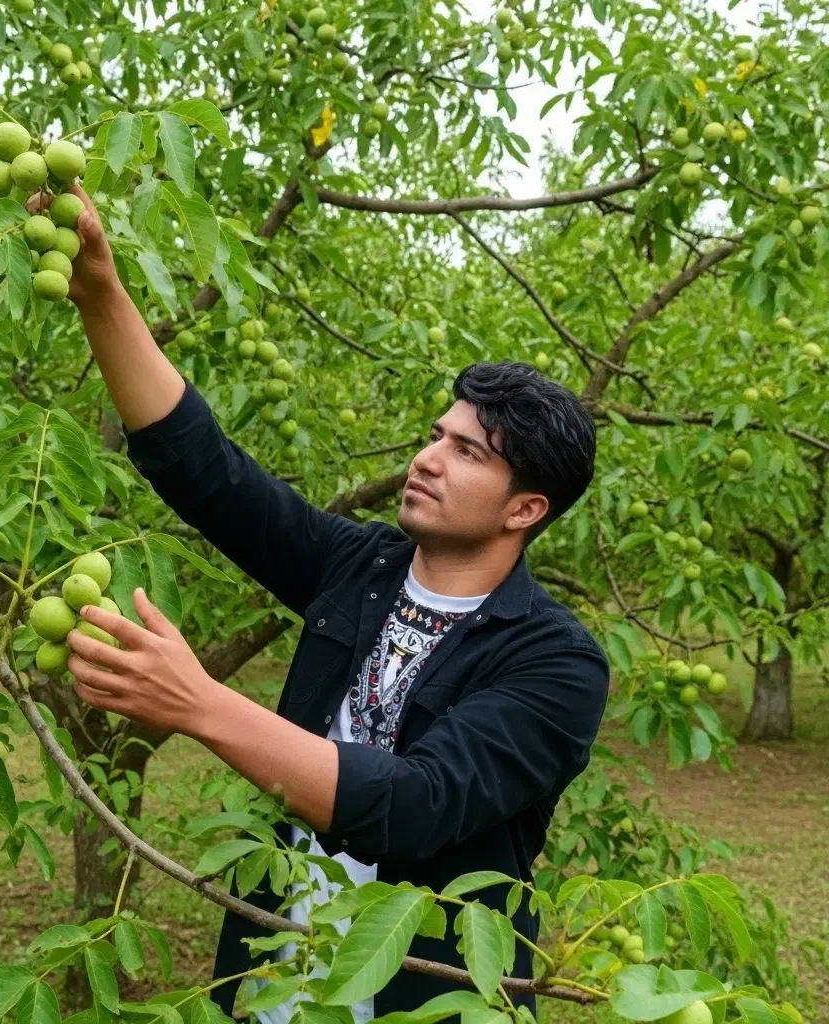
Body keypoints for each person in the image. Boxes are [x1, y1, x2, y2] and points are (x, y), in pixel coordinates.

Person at [43, 186, 610, 1020]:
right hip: (273, 972)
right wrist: (100, 290)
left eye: (465, 452)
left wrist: (200, 703)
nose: (427, 459)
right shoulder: (364, 564)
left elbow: (412, 807)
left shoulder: (557, 662)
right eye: (433, 436)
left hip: (423, 994)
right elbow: (206, 471)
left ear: (526, 509)